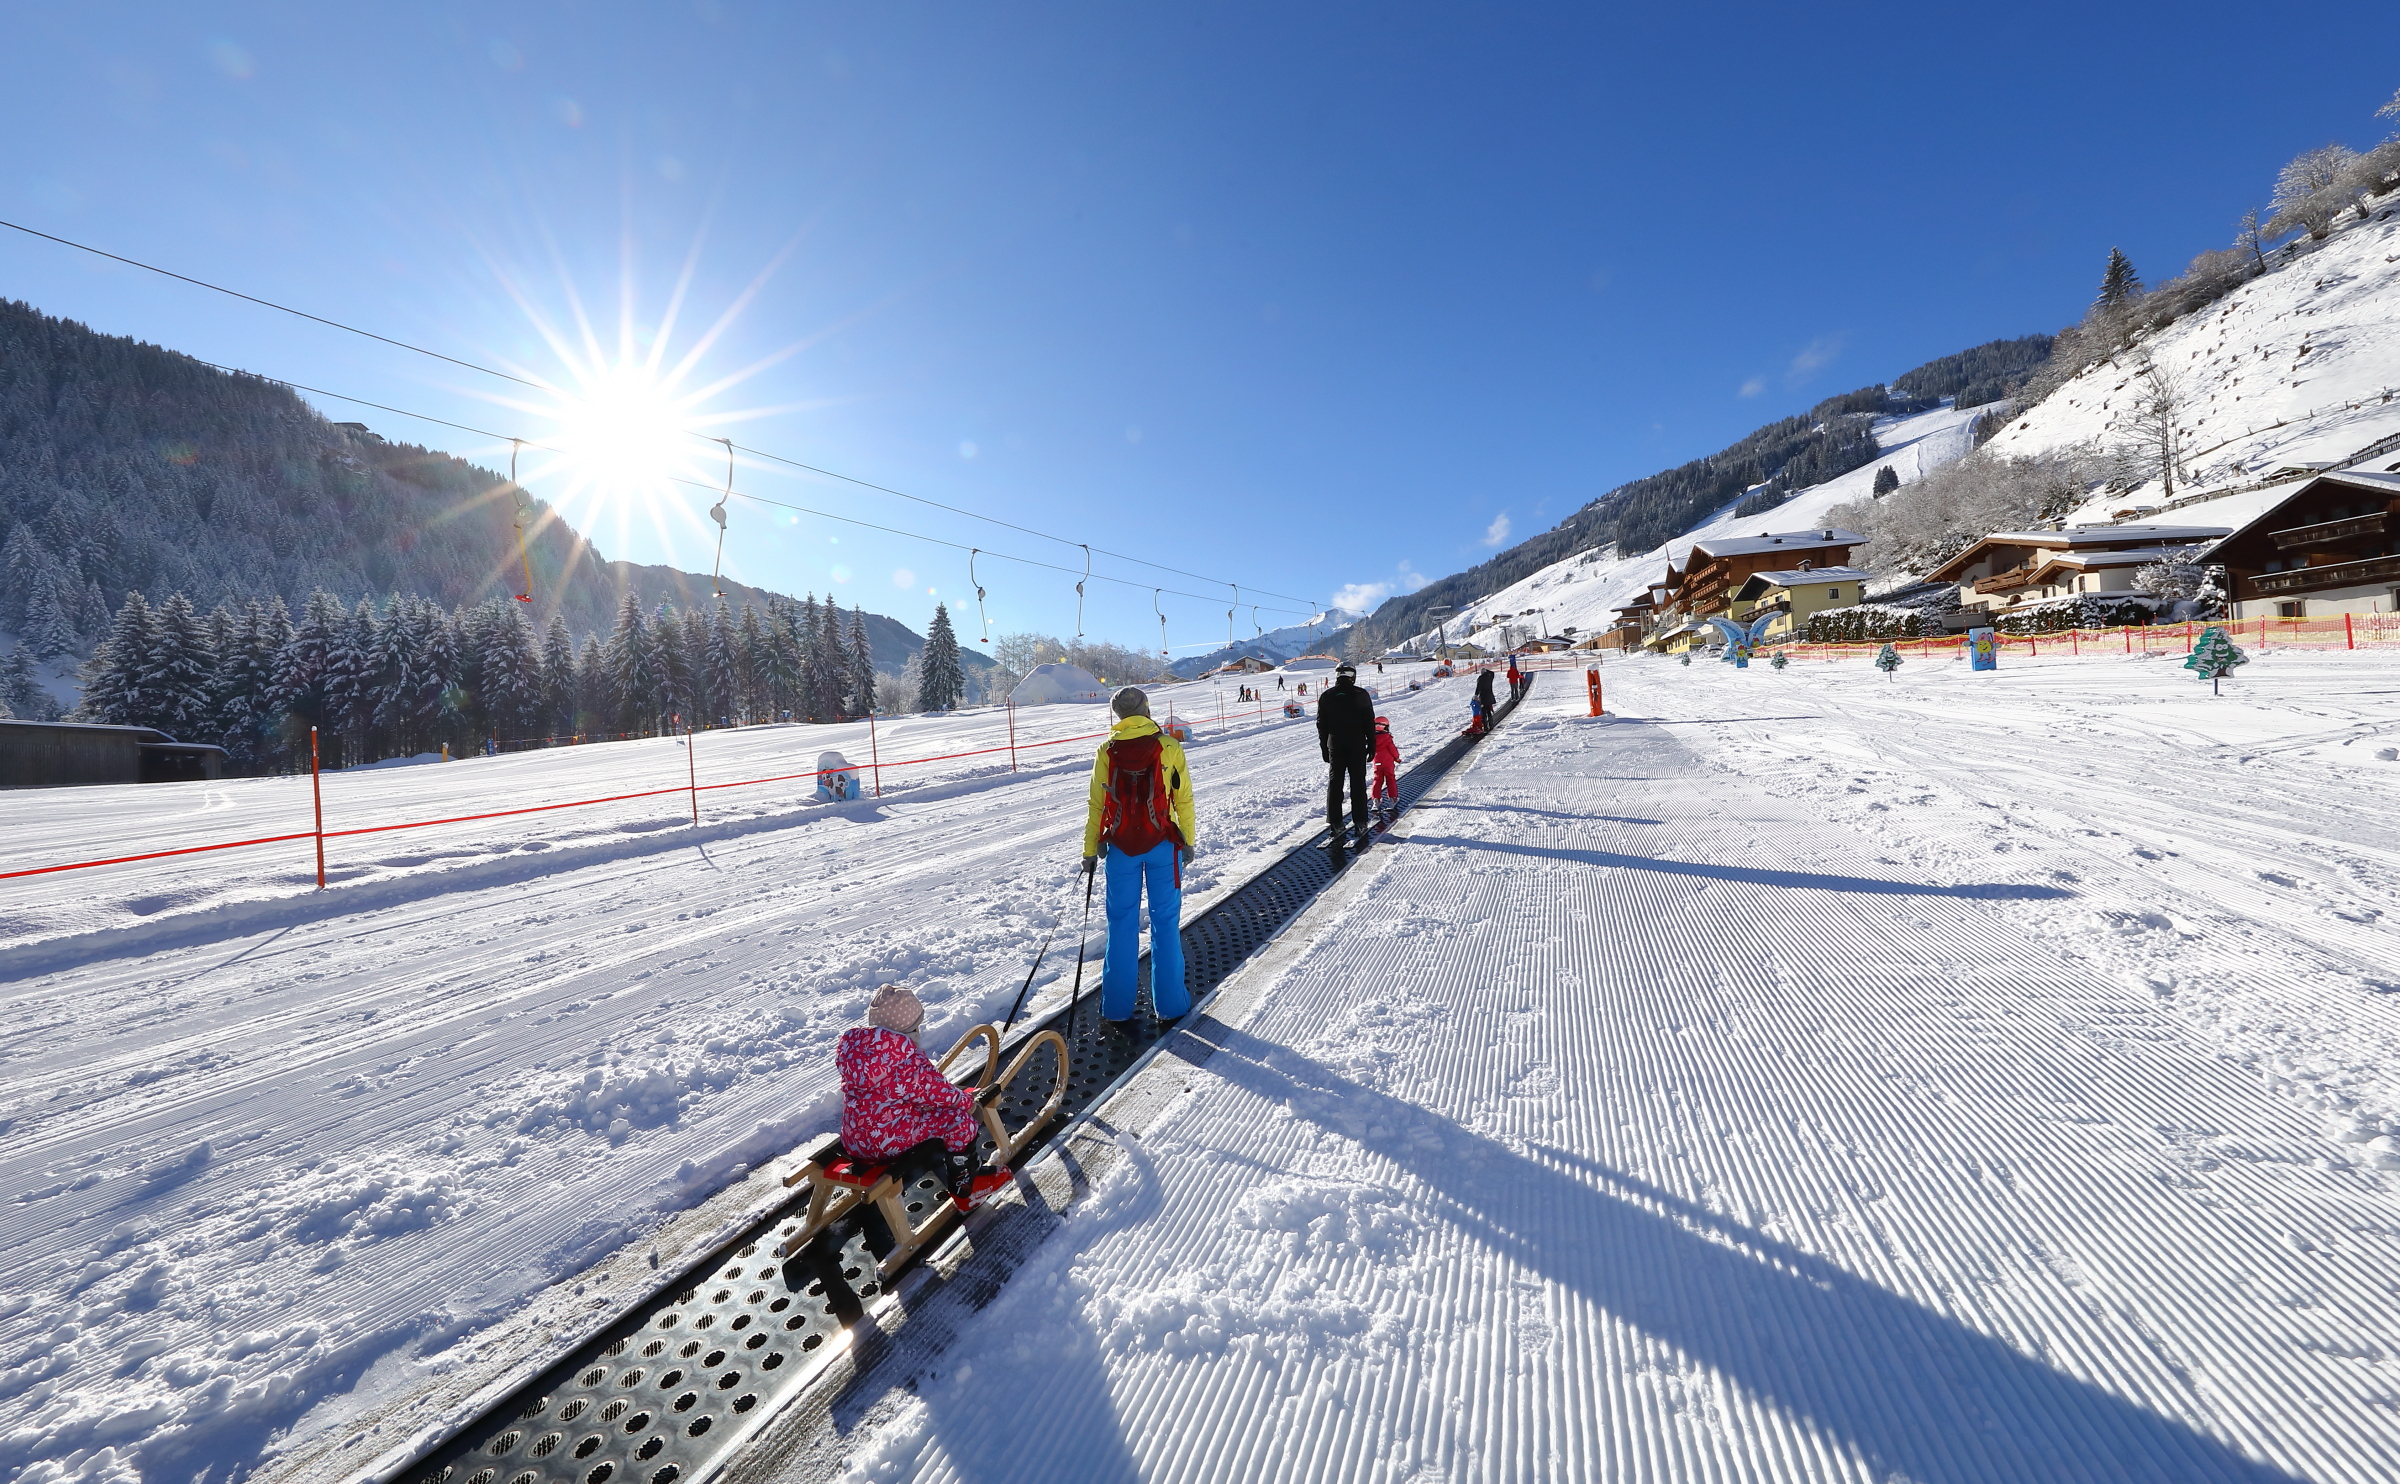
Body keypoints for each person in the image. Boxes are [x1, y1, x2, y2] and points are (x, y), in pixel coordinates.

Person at [836, 985, 1011, 1211]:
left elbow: (894, 1093)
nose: (919, 1033)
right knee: (960, 1123)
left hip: (855, 1140)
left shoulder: (858, 1052)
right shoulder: (904, 1059)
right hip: (888, 1142)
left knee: (920, 1114)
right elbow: (936, 1092)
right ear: (906, 1031)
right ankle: (967, 1189)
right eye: (916, 1028)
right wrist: (969, 1104)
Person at [1083, 686, 1195, 1024]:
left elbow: (1096, 805)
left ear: (1118, 715)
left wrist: (1090, 850)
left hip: (1119, 849)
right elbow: (1183, 799)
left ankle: (1116, 1009)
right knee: (1165, 924)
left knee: (1121, 925)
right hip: (1163, 845)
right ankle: (1171, 1005)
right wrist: (1187, 842)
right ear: (1146, 709)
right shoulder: (1169, 746)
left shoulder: (1106, 749)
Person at [1318, 661, 1376, 847]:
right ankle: (1359, 822)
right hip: (1356, 744)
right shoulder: (1361, 694)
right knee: (1357, 782)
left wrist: (1324, 748)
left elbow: (1321, 725)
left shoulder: (1327, 696)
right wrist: (1372, 745)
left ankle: (1335, 823)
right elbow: (1369, 722)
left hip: (1335, 745)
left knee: (1335, 783)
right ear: (1353, 676)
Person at [1370, 715, 1401, 811]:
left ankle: (1376, 800)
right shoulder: (1387, 738)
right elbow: (1393, 750)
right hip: (1388, 764)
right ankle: (1393, 799)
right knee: (1390, 779)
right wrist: (1397, 758)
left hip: (1377, 763)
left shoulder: (1372, 738)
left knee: (1377, 780)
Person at [1473, 665, 1497, 732]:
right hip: (1489, 697)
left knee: (1483, 712)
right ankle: (1491, 724)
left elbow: (1478, 688)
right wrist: (1487, 670)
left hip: (1483, 698)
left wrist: (1475, 695)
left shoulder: (1480, 679)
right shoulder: (1489, 677)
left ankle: (1485, 726)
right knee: (1489, 711)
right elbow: (1492, 673)